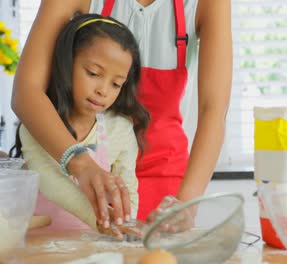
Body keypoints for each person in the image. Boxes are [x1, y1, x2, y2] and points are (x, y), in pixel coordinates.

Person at [12, 0, 232, 227]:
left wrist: (186, 204)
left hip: (165, 183)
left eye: (117, 83)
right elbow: (26, 91)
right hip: (76, 169)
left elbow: (214, 111)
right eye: (93, 72)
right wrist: (82, 164)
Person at [10, 13, 149, 234]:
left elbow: (127, 188)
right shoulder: (38, 124)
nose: (103, 90)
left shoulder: (120, 130)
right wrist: (100, 220)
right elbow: (50, 181)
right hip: (40, 243)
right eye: (93, 73)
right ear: (66, 64)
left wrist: (125, 225)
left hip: (92, 248)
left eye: (116, 84)